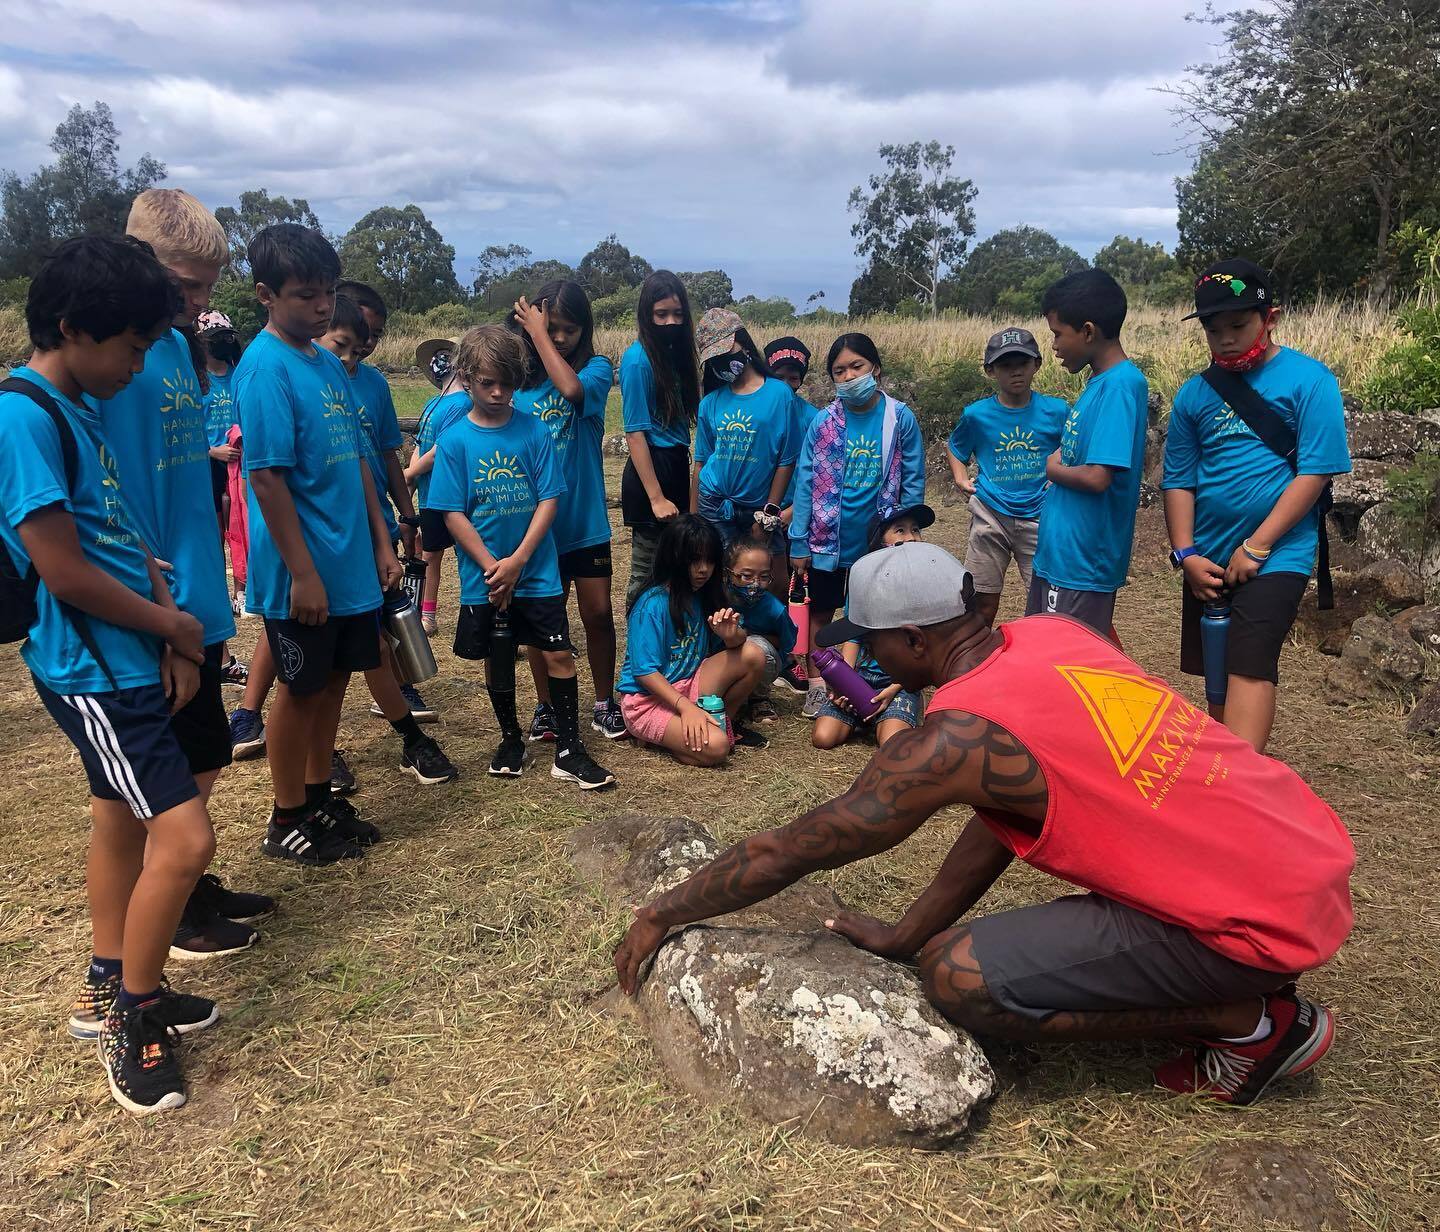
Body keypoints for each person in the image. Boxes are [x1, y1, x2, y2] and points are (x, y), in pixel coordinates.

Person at [616, 542, 1355, 1108]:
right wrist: (904, 932)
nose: (860, 655)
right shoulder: (1054, 634)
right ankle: (1238, 986)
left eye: (871, 641)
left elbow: (794, 849)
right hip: (1300, 855)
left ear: (913, 641)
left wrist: (662, 913)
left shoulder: (955, 739)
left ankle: (1247, 1022)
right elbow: (1010, 807)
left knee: (957, 976)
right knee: (934, 950)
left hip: (1256, 923)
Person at [1, 237, 223, 1113]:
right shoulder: (23, 419)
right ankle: (135, 1016)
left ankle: (111, 983)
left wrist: (169, 622)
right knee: (187, 840)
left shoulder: (77, 404)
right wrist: (171, 626)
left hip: (132, 652)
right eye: (132, 347)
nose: (139, 367)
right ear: (71, 327)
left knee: (120, 817)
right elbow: (62, 569)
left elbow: (118, 531)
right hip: (94, 670)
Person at [96, 190, 270, 963]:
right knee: (148, 785)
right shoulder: (113, 355)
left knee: (202, 752)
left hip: (197, 588)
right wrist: (151, 598)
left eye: (207, 287)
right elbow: (106, 482)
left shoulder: (174, 346)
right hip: (149, 599)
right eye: (186, 285)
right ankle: (160, 917)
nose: (200, 302)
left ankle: (184, 885)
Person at [236, 223, 402, 865]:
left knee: (333, 682)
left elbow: (358, 459)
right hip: (302, 571)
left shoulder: (328, 363)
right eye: (305, 295)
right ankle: (287, 818)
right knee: (299, 690)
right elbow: (267, 478)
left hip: (349, 561)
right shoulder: (265, 369)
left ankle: (316, 796)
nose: (322, 306)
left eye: (328, 292)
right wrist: (303, 573)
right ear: (265, 295)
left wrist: (381, 539)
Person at [1163, 259, 1351, 753]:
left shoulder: (1310, 381)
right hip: (1208, 556)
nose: (1225, 339)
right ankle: (1226, 765)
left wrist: (1258, 546)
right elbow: (1179, 480)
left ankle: (1238, 780)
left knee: (1250, 660)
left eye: (1238, 325)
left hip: (1279, 552)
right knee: (1218, 661)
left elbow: (1314, 473)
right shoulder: (1194, 395)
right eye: (1214, 329)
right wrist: (1186, 553)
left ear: (1271, 318)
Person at [428, 325, 615, 789]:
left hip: (537, 572)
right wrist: (493, 566)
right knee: (498, 653)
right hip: (485, 578)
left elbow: (549, 498)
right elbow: (451, 511)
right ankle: (510, 738)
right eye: (488, 383)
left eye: (507, 383)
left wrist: (519, 561)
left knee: (558, 652)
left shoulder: (534, 430)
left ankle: (570, 748)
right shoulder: (454, 441)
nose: (498, 393)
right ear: (466, 377)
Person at [313, 297, 458, 787]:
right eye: (346, 342)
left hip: (365, 532)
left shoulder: (369, 384)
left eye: (366, 342)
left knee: (373, 639)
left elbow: (379, 456)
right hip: (320, 541)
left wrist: (401, 518)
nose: (355, 354)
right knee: (324, 661)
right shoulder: (293, 379)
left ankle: (406, 737)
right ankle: (315, 754)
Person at [510, 280, 627, 743]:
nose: (559, 338)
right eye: (551, 328)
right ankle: (546, 706)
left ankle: (603, 702)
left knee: (597, 614)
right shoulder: (519, 383)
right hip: (537, 529)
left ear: (585, 330)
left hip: (584, 522)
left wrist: (538, 332)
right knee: (545, 621)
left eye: (568, 330)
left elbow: (571, 389)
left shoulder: (596, 370)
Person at [789, 332, 925, 719]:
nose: (849, 376)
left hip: (879, 541)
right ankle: (818, 684)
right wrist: (799, 541)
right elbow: (805, 481)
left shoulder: (899, 418)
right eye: (839, 371)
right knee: (821, 613)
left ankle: (878, 679)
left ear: (875, 368)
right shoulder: (824, 422)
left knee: (878, 610)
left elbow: (913, 478)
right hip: (827, 540)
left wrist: (907, 533)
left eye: (856, 366)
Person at [1028, 270, 1148, 638]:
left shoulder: (1120, 386)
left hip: (1081, 562)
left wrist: (1052, 469)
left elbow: (1097, 476)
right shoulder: (1099, 383)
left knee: (1064, 657)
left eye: (1057, 334)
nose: (1054, 346)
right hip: (1062, 557)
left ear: (1089, 331)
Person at [617, 514, 769, 761]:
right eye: (694, 560)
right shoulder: (652, 605)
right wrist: (685, 707)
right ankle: (671, 735)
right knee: (718, 748)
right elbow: (644, 672)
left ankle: (722, 723)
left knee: (753, 654)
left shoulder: (705, 595)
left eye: (710, 560)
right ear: (674, 558)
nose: (704, 569)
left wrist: (731, 637)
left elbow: (738, 644)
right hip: (648, 700)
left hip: (690, 682)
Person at [948, 328, 1068, 627]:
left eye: (1023, 363)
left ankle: (1042, 652)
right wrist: (961, 478)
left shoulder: (1057, 411)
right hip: (990, 513)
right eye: (1005, 365)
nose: (1016, 371)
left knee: (1046, 600)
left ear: (1036, 364)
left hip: (1041, 514)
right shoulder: (976, 415)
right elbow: (956, 447)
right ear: (991, 371)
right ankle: (977, 652)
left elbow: (1072, 448)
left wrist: (1061, 476)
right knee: (981, 600)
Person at [691, 309, 801, 588]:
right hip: (715, 504)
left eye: (726, 352)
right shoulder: (710, 402)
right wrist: (694, 522)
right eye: (714, 358)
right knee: (724, 580)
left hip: (759, 507)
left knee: (773, 580)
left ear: (744, 343)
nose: (721, 361)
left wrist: (768, 516)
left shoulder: (779, 394)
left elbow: (786, 460)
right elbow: (701, 463)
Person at [811, 505, 929, 751]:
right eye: (900, 530)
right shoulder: (863, 582)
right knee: (823, 737)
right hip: (862, 677)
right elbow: (853, 638)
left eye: (916, 530)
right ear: (879, 541)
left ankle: (900, 710)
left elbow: (927, 652)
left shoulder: (927, 584)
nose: (911, 537)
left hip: (901, 680)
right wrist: (845, 684)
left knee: (891, 743)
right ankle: (868, 715)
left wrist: (894, 689)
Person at [620, 271, 699, 611]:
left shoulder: (676, 355)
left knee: (675, 570)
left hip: (676, 463)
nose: (671, 322)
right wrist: (656, 498)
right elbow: (635, 433)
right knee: (646, 574)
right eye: (661, 314)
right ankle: (637, 640)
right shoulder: (638, 360)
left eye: (678, 314)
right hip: (651, 471)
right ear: (647, 314)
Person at [766, 334, 820, 692]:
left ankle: (792, 657)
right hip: (761, 515)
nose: (787, 384)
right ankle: (773, 655)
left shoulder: (813, 418)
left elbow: (818, 474)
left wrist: (791, 513)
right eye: (779, 376)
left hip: (798, 517)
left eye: (794, 377)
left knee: (795, 590)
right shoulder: (759, 409)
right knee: (765, 585)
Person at [404, 337, 468, 636]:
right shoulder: (433, 403)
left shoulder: (463, 404)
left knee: (463, 554)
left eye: (447, 355)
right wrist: (410, 481)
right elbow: (420, 445)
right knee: (429, 554)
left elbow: (441, 450)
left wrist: (408, 473)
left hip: (452, 493)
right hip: (429, 494)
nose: (440, 361)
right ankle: (426, 613)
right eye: (439, 355)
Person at [198, 312, 247, 622]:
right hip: (212, 463)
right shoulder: (196, 380)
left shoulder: (238, 375)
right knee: (216, 529)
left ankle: (241, 590)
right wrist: (211, 451)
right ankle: (217, 591)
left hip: (240, 461)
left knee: (240, 528)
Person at [722, 533, 796, 726]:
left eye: (763, 577)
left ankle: (758, 697)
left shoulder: (775, 610)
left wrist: (746, 636)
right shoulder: (718, 599)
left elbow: (785, 643)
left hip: (760, 656)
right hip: (720, 657)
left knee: (757, 648)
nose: (755, 583)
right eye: (746, 576)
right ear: (728, 572)